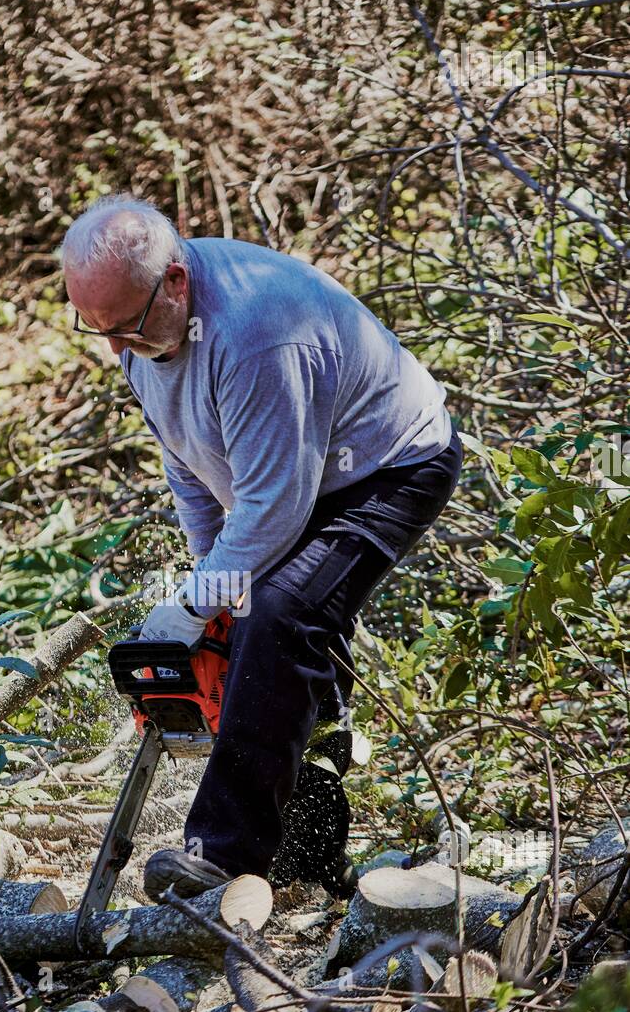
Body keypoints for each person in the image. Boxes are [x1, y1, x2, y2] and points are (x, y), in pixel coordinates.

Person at [62, 194, 462, 901]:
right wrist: (208, 584)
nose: (114, 349)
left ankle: (222, 855)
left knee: (279, 615)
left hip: (389, 466)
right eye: (95, 328)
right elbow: (186, 460)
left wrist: (199, 603)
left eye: (122, 326)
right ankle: (308, 863)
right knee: (263, 627)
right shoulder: (141, 328)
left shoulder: (259, 335)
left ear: (175, 282)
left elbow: (276, 505)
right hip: (298, 473)